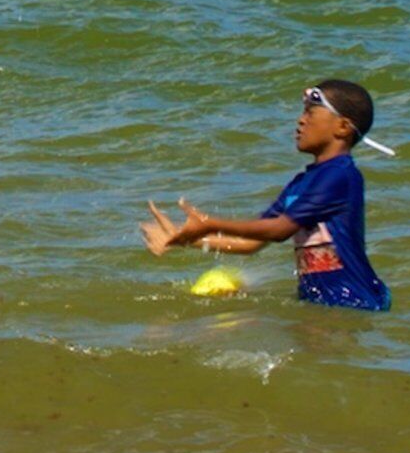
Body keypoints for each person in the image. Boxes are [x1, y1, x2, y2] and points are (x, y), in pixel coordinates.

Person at [140, 78, 392, 311]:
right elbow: (252, 243)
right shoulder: (302, 182)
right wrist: (184, 239)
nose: (300, 120)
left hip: (354, 303)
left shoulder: (340, 175)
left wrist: (209, 224)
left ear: (343, 127)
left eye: (310, 112)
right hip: (321, 303)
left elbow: (280, 230)